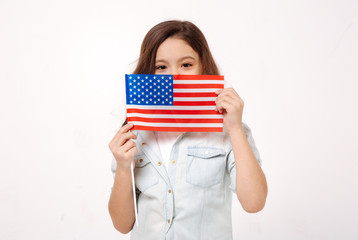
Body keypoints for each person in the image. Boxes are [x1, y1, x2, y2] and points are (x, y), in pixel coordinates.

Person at [108, 20, 267, 240]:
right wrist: (124, 168)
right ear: (149, 74)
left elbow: (254, 203)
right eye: (161, 67)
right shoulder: (135, 135)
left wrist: (236, 130)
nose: (174, 76)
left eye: (186, 64)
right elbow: (122, 225)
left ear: (203, 67)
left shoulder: (228, 130)